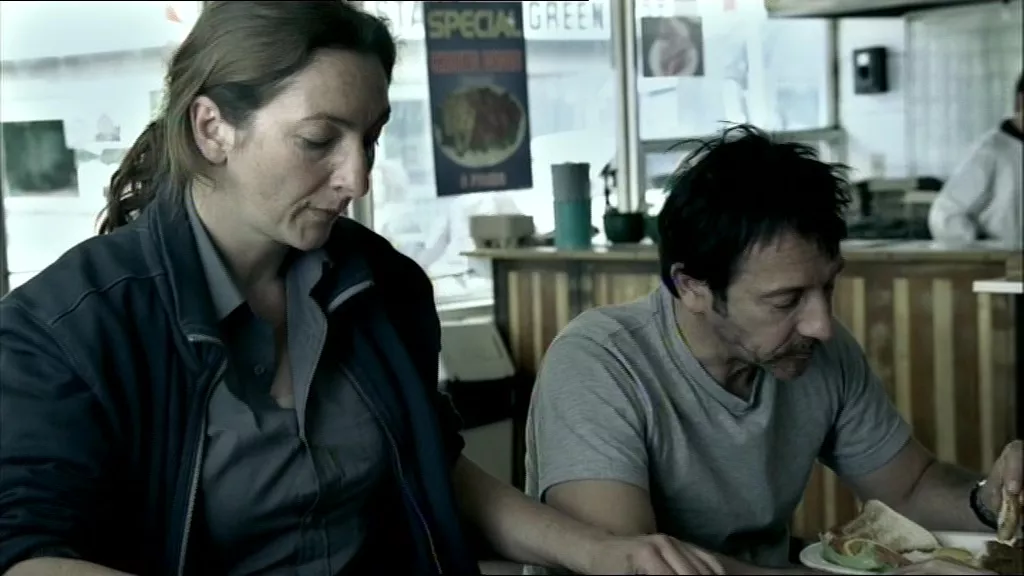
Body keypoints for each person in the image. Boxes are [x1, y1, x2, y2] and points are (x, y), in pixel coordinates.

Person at [0, 3, 728, 575]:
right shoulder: (66, 328)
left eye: (371, 138)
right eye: (319, 140)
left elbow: (433, 469)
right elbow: (26, 553)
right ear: (213, 128)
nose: (357, 178)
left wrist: (603, 552)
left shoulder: (384, 285)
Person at [525, 125, 1022, 575]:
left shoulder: (817, 349)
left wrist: (992, 499)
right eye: (786, 300)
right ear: (691, 286)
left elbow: (909, 489)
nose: (821, 325)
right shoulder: (599, 363)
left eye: (828, 286)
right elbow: (633, 565)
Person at [928, 73, 1023, 247]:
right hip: (1003, 260)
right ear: (1020, 102)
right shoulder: (990, 151)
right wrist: (985, 249)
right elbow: (946, 216)